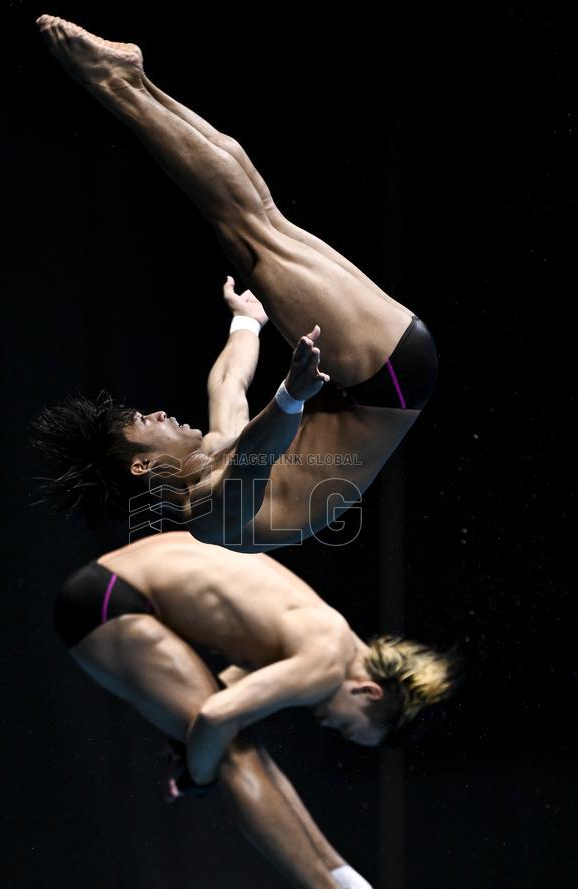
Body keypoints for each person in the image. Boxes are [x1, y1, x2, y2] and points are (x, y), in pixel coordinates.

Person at [31, 15, 438, 550]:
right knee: (247, 231)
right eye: (140, 421)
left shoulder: (212, 454)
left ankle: (136, 81)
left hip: (384, 376)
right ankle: (116, 84)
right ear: (142, 465)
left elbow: (227, 385)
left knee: (260, 218)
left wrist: (246, 321)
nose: (154, 411)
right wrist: (291, 395)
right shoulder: (209, 518)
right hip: (381, 377)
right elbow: (255, 460)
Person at [52, 530, 458, 889]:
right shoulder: (325, 663)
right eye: (347, 728)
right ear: (368, 692)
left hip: (107, 590)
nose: (328, 725)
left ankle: (345, 887)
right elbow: (214, 717)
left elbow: (221, 696)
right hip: (111, 603)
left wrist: (190, 748)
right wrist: (197, 774)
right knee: (235, 753)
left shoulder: (324, 633)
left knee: (244, 749)